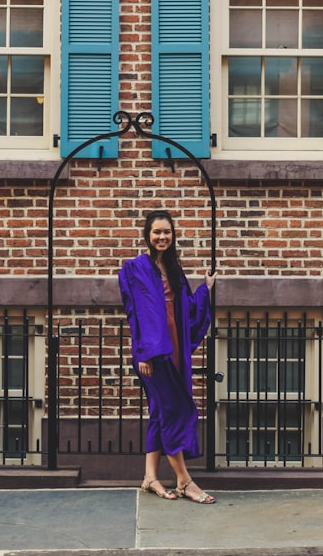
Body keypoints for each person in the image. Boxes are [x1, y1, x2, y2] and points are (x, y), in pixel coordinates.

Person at [118, 209, 217, 504]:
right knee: (175, 410)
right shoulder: (134, 268)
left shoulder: (173, 269)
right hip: (154, 353)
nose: (162, 237)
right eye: (157, 232)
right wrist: (143, 354)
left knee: (162, 412)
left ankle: (150, 477)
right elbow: (136, 314)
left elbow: (184, 308)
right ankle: (185, 481)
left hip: (174, 347)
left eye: (167, 232)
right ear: (147, 235)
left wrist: (205, 290)